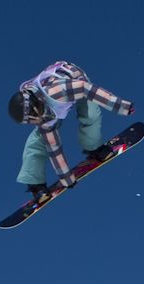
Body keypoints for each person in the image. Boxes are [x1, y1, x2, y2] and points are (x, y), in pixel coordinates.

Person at [8, 61, 135, 203]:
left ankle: (94, 148)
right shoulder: (43, 120)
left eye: (33, 119)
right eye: (30, 122)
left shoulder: (58, 92)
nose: (37, 122)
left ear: (35, 109)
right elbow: (54, 147)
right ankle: (35, 184)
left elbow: (87, 89)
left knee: (90, 114)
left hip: (76, 80)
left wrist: (122, 106)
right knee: (38, 141)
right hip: (55, 99)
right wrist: (65, 177)